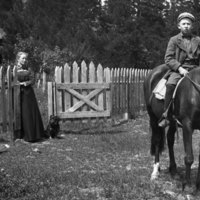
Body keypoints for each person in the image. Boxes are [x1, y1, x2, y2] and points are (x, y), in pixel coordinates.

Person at [158, 12, 200, 127]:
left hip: (196, 69)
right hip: (179, 70)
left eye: (189, 24)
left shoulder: (198, 40)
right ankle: (166, 115)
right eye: (184, 23)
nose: (186, 25)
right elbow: (168, 58)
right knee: (170, 84)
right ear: (179, 26)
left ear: (192, 26)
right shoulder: (174, 40)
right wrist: (180, 69)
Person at [15, 51, 46, 142]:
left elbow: (33, 80)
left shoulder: (28, 68)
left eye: (25, 58)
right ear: (18, 58)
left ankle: (35, 135)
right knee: (24, 113)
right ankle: (25, 135)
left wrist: (27, 82)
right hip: (19, 93)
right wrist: (20, 84)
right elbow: (10, 80)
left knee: (31, 112)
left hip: (29, 93)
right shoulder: (14, 69)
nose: (25, 60)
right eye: (23, 58)